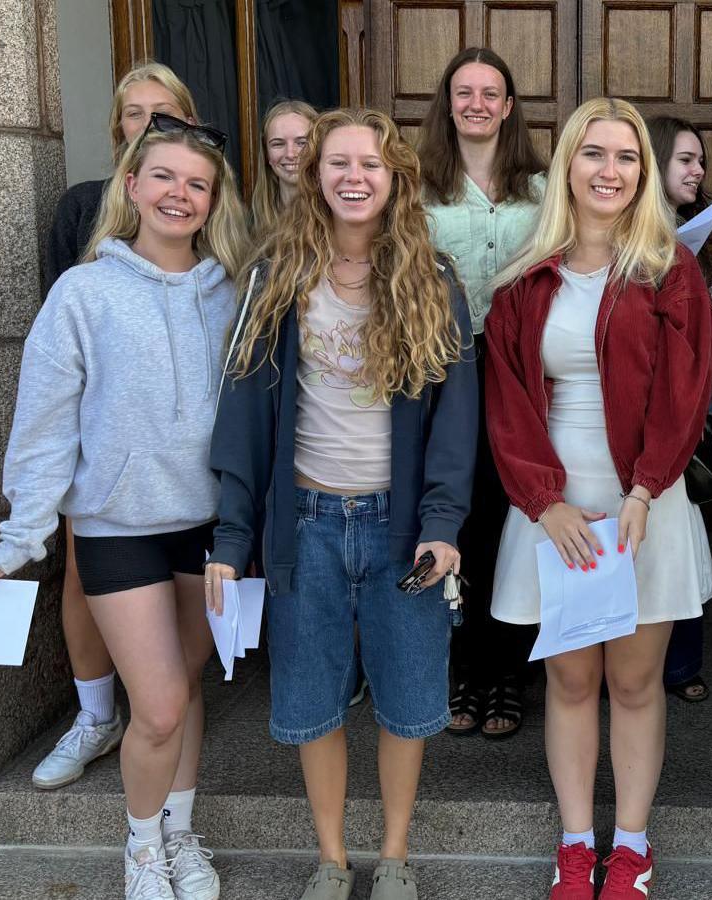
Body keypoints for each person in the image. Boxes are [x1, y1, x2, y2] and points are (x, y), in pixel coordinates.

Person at [0, 114, 249, 900]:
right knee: (155, 705)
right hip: (118, 527)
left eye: (197, 184)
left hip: (205, 526)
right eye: (163, 177)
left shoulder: (230, 291)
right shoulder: (83, 292)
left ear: (213, 199)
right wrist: (20, 538)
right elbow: (45, 425)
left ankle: (182, 835)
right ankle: (143, 845)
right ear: (131, 185)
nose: (179, 194)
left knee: (186, 689)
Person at [206, 107, 477, 900]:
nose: (354, 177)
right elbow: (245, 413)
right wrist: (231, 536)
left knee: (406, 699)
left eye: (370, 164)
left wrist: (442, 523)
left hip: (400, 530)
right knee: (312, 701)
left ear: (395, 177)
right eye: (337, 163)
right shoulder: (274, 276)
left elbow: (456, 420)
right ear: (312, 175)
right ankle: (332, 859)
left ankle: (393, 856)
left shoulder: (433, 280)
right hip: (307, 525)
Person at [486, 97, 712, 899]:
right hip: (555, 510)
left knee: (634, 683)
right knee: (570, 681)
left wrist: (648, 487)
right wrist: (543, 500)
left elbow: (686, 394)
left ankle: (631, 850)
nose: (609, 170)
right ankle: (577, 843)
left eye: (626, 157)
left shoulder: (668, 270)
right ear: (567, 168)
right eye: (594, 154)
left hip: (641, 506)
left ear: (642, 173)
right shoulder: (527, 274)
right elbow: (508, 399)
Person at [33, 61, 198, 793]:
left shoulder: (219, 261)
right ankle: (95, 715)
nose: (151, 125)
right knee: (82, 583)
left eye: (166, 114)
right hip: (108, 482)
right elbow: (58, 366)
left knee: (175, 693)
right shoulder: (83, 240)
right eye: (138, 114)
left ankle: (175, 825)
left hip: (195, 498)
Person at [418, 47, 547, 741]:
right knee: (456, 522)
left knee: (512, 523)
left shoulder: (542, 187)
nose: (476, 103)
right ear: (448, 102)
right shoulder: (419, 187)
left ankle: (507, 671)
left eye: (489, 92)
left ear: (507, 105)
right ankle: (463, 668)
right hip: (444, 376)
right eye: (463, 91)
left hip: (521, 379)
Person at [644, 114, 712, 706]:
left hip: (682, 412)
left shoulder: (698, 253)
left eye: (700, 161)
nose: (698, 170)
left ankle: (681, 663)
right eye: (685, 159)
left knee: (679, 531)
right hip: (626, 412)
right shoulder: (610, 244)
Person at [251, 99, 318, 235]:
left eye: (302, 143)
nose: (290, 154)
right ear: (266, 153)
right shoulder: (253, 223)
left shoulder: (334, 219)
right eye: (278, 144)